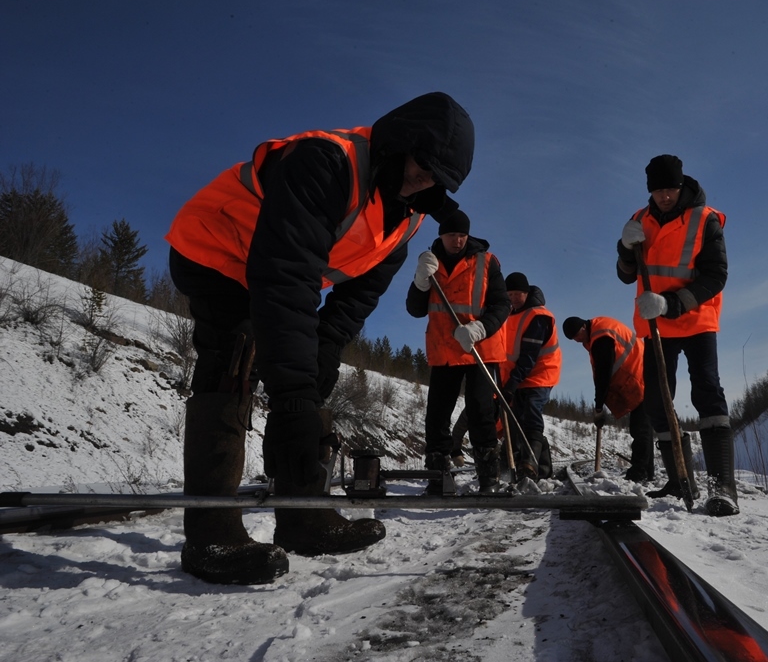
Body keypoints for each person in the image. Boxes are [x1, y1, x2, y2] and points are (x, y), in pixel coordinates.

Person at [164, 92, 475, 585]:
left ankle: (304, 515)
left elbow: (357, 296)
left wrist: (322, 354)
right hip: (217, 250)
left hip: (275, 272)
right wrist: (291, 396)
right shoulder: (326, 161)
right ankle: (211, 531)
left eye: (439, 176)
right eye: (422, 164)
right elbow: (287, 274)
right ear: (399, 142)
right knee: (234, 356)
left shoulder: (409, 213)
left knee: (311, 373)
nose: (425, 180)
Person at [615, 154, 739, 516]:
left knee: (707, 392)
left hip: (696, 318)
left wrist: (670, 304)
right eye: (657, 190)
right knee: (657, 402)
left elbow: (716, 275)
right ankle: (679, 479)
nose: (664, 196)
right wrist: (624, 248)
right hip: (654, 326)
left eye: (670, 188)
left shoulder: (705, 219)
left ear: (681, 185)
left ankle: (723, 488)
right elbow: (625, 274)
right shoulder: (639, 220)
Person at [405, 209, 510, 494]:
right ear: (441, 235)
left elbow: (502, 305)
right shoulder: (430, 262)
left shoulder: (487, 262)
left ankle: (488, 477)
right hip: (444, 350)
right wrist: (420, 282)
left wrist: (480, 328)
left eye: (462, 235)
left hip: (480, 348)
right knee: (437, 415)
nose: (458, 240)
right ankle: (438, 476)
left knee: (481, 412)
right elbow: (415, 309)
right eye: (452, 234)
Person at [561, 315, 654, 482]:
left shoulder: (601, 339)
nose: (577, 341)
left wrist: (598, 407)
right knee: (642, 428)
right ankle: (646, 471)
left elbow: (603, 376)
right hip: (643, 373)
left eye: (577, 336)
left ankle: (640, 472)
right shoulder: (599, 328)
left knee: (640, 429)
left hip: (640, 377)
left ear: (583, 327)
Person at [499, 272, 561, 480]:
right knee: (517, 419)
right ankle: (537, 469)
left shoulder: (538, 317)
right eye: (510, 294)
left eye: (518, 294)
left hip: (540, 374)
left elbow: (528, 357)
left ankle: (529, 463)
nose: (514, 298)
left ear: (527, 293)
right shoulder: (508, 316)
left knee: (532, 412)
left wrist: (511, 384)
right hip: (518, 377)